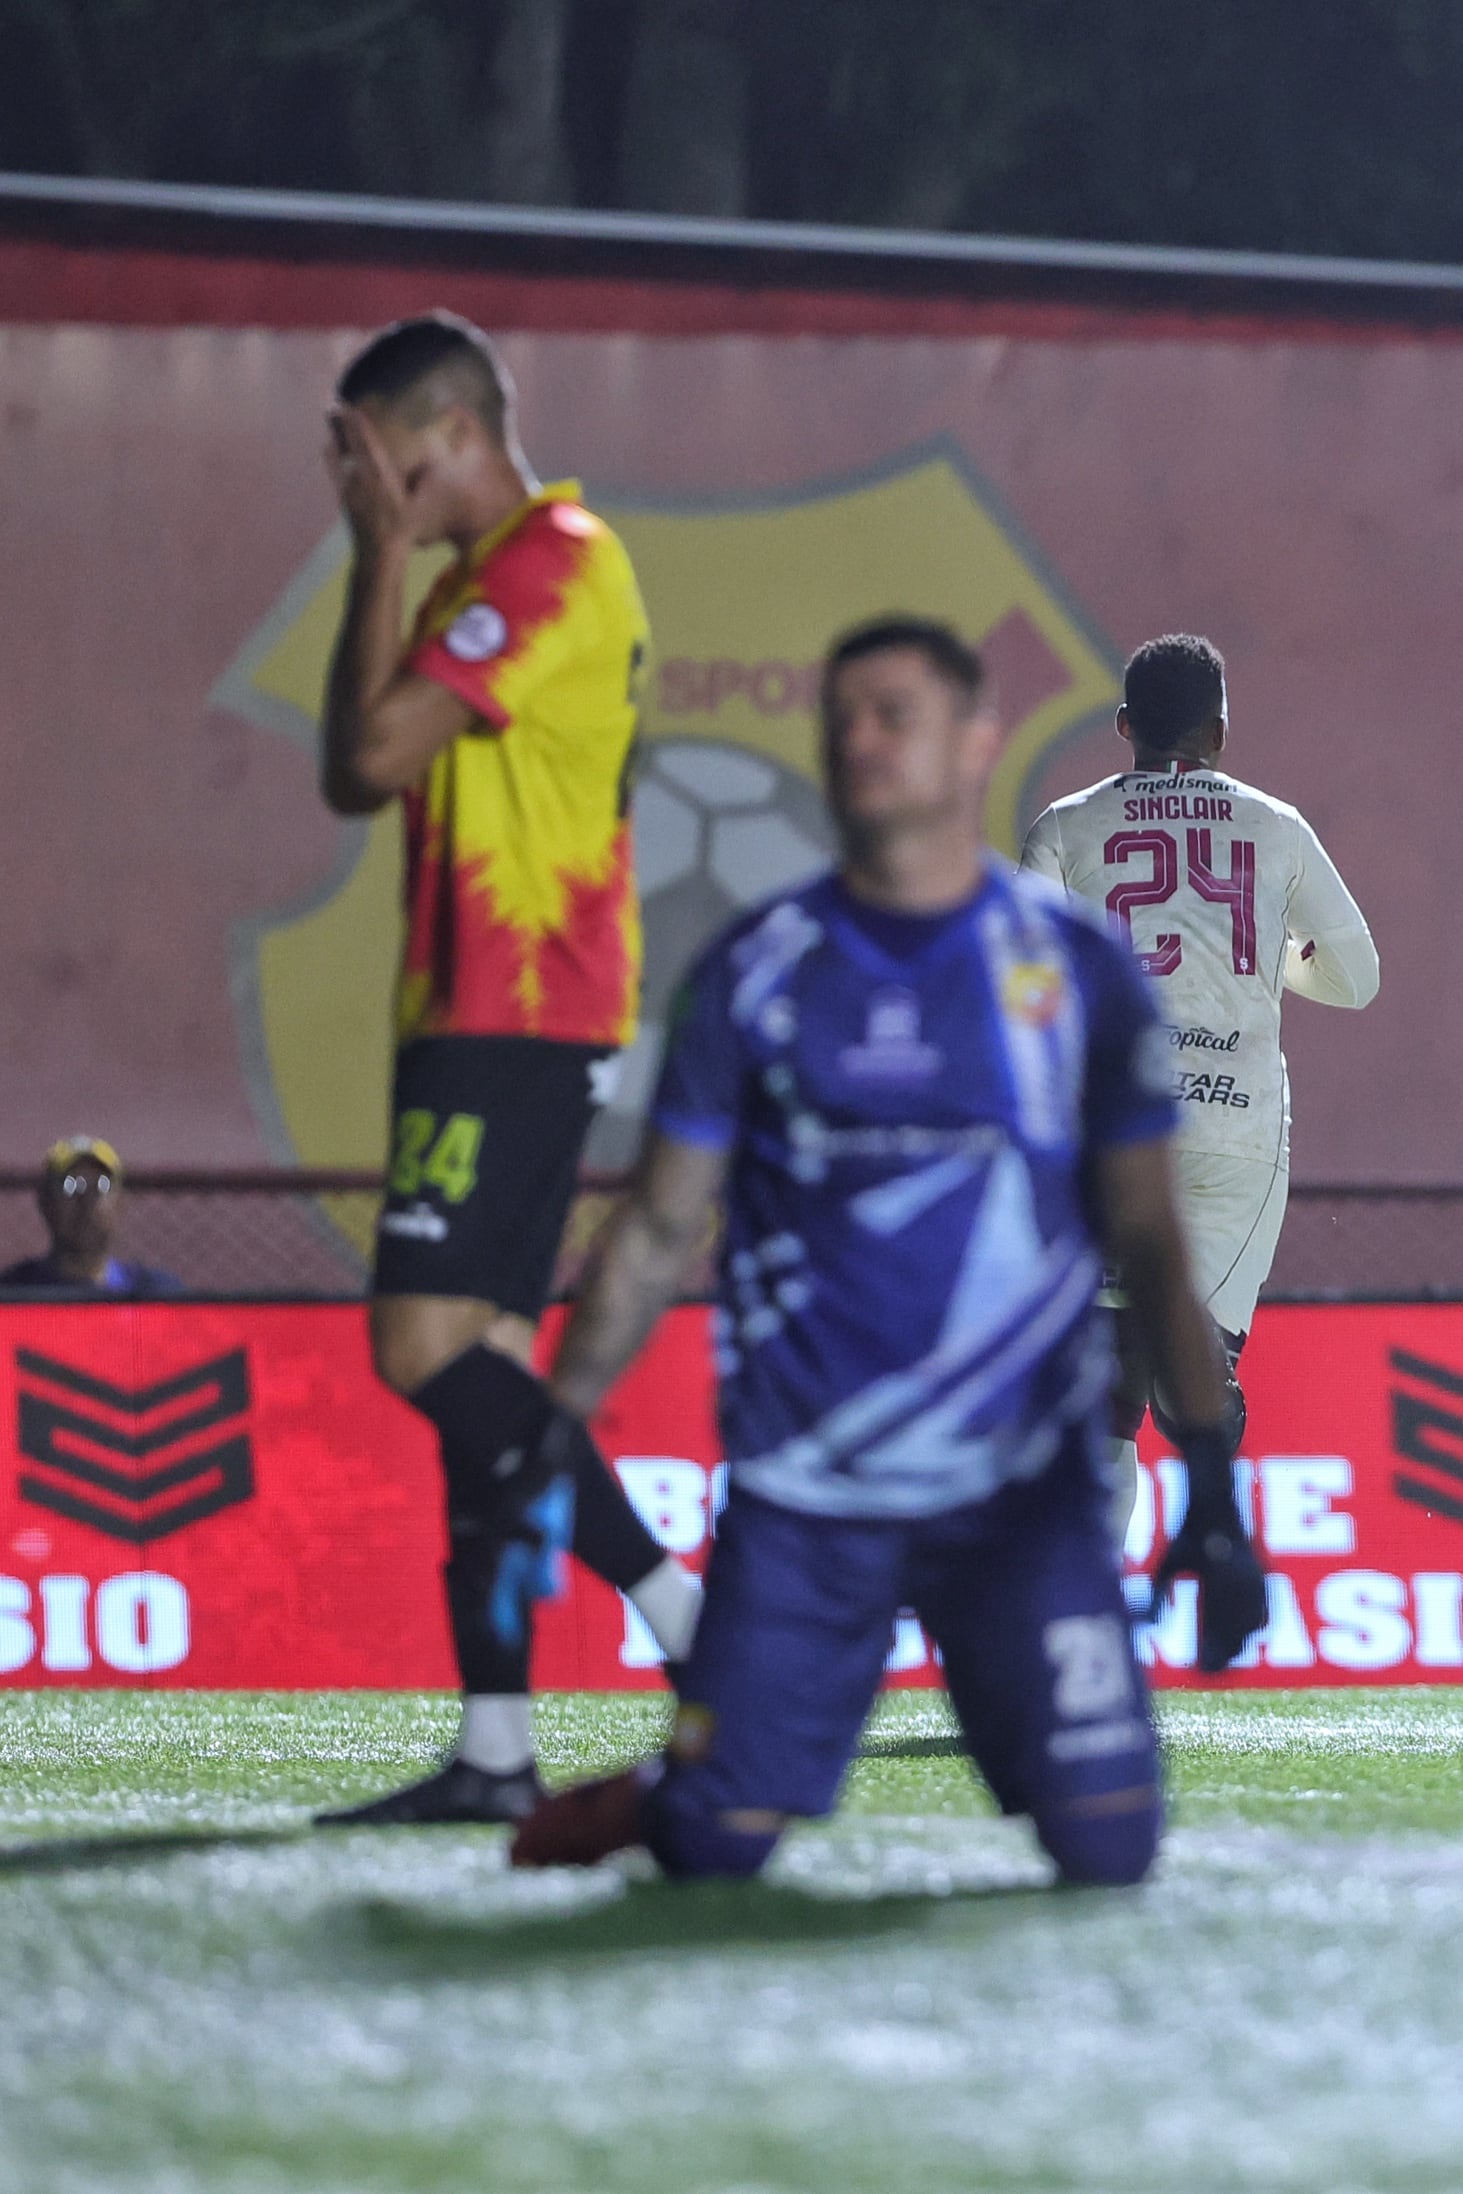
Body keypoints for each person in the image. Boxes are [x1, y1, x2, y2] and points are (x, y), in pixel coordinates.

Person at [509, 616, 1265, 1883]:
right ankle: (674, 1786)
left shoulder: (1075, 971)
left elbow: (1149, 1237)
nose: (861, 741)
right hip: (807, 1499)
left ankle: (716, 1762)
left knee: (1109, 1847)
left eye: (895, 715)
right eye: (842, 717)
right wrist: (544, 1435)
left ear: (976, 745)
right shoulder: (753, 971)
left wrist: (1213, 1488)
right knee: (706, 1853)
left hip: (1019, 1504)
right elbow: (650, 1232)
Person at [314, 311, 701, 1826]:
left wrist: (374, 554)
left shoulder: (552, 560)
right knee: (480, 1373)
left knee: (418, 1346)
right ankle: (492, 1745)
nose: (356, 480)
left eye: (373, 452)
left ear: (450, 432)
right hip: (486, 1005)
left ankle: (687, 1620)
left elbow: (361, 760)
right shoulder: (493, 576)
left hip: (518, 1005)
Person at [1019, 634, 1379, 1534]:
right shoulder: (1275, 825)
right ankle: (1202, 1405)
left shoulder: (1065, 825)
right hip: (1236, 1130)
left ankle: (1094, 1631)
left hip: (1113, 1132)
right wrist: (1267, 967)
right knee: (1188, 1363)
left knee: (1106, 1400)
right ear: (1219, 730)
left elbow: (1021, 980)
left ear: (1122, 725)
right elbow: (1357, 978)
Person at [0, 1137, 181, 1295]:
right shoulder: (14, 1294)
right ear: (46, 1202)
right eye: (70, 1186)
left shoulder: (156, 1295)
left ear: (120, 1202)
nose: (85, 1199)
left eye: (101, 1185)